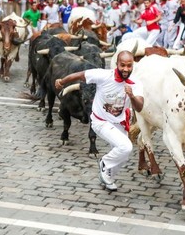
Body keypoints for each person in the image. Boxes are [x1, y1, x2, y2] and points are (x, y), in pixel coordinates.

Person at [55, 51, 144, 191]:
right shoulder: (103, 75)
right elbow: (80, 75)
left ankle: (107, 177)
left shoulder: (136, 83)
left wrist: (132, 96)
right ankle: (105, 163)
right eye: (122, 65)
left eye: (129, 66)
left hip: (119, 122)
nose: (126, 69)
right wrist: (62, 81)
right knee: (126, 147)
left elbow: (139, 107)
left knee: (123, 155)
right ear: (116, 64)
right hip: (100, 121)